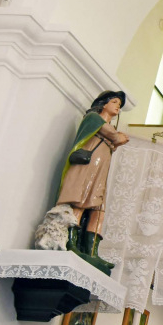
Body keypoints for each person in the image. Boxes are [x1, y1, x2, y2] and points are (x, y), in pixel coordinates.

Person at [54, 90, 130, 272]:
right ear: (103, 103)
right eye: (114, 102)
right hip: (88, 168)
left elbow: (116, 139)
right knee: (80, 203)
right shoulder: (94, 119)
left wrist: (117, 138)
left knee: (98, 210)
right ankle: (70, 242)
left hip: (100, 170)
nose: (118, 106)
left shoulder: (107, 126)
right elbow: (115, 137)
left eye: (119, 104)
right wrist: (118, 137)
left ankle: (91, 252)